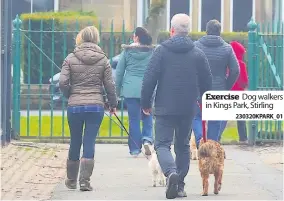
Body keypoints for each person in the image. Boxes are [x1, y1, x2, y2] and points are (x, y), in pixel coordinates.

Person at [141, 14, 212, 199]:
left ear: (172, 30)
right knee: (182, 146)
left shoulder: (161, 51)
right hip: (188, 107)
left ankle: (170, 172)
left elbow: (149, 79)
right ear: (187, 31)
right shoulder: (197, 53)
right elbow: (207, 80)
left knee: (162, 144)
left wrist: (145, 103)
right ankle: (179, 185)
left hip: (165, 105)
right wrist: (204, 100)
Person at [59, 26, 117, 191]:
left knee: (75, 140)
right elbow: (110, 85)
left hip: (75, 106)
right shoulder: (103, 60)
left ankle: (71, 180)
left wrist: (70, 94)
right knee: (89, 141)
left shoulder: (70, 58)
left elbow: (62, 82)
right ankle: (85, 181)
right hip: (95, 106)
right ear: (96, 39)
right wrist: (112, 104)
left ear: (80, 38)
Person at [192, 19, 240, 142]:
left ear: (206, 31)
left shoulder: (196, 46)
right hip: (218, 89)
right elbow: (235, 70)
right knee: (215, 119)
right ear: (220, 32)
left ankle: (200, 139)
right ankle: (212, 146)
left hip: (199, 89)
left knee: (196, 116)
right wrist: (226, 86)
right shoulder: (227, 48)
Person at [115, 27, 154, 157]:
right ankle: (147, 139)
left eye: (133, 36)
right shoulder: (151, 51)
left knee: (134, 119)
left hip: (130, 89)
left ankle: (135, 149)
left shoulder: (127, 51)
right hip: (147, 89)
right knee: (147, 115)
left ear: (136, 37)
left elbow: (119, 72)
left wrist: (117, 90)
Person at [219, 41, 249, 142]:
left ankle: (217, 136)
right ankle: (243, 137)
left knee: (223, 117)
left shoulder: (225, 64)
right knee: (241, 118)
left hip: (227, 92)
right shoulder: (241, 64)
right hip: (239, 94)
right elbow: (244, 81)